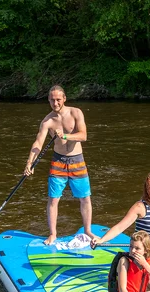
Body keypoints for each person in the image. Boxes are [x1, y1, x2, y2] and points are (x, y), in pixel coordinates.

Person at [90, 168, 150, 289]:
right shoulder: (140, 207)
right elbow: (120, 227)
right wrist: (101, 240)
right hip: (142, 258)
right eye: (149, 188)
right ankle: (142, 276)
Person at [24, 85, 97, 245]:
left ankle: (88, 230)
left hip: (77, 160)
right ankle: (53, 234)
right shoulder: (47, 121)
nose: (55, 103)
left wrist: (65, 135)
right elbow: (38, 142)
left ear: (64, 99)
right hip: (58, 162)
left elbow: (83, 135)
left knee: (85, 198)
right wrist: (30, 162)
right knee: (53, 199)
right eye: (52, 100)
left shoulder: (76, 112)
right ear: (48, 100)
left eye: (58, 99)